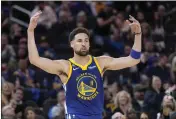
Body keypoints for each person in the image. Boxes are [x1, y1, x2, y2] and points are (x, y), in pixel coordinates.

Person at [27, 10, 142, 119]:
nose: (84, 44)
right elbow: (34, 59)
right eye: (79, 41)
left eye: (86, 41)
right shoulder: (66, 66)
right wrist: (31, 31)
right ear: (71, 44)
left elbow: (133, 60)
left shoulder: (100, 62)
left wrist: (138, 34)